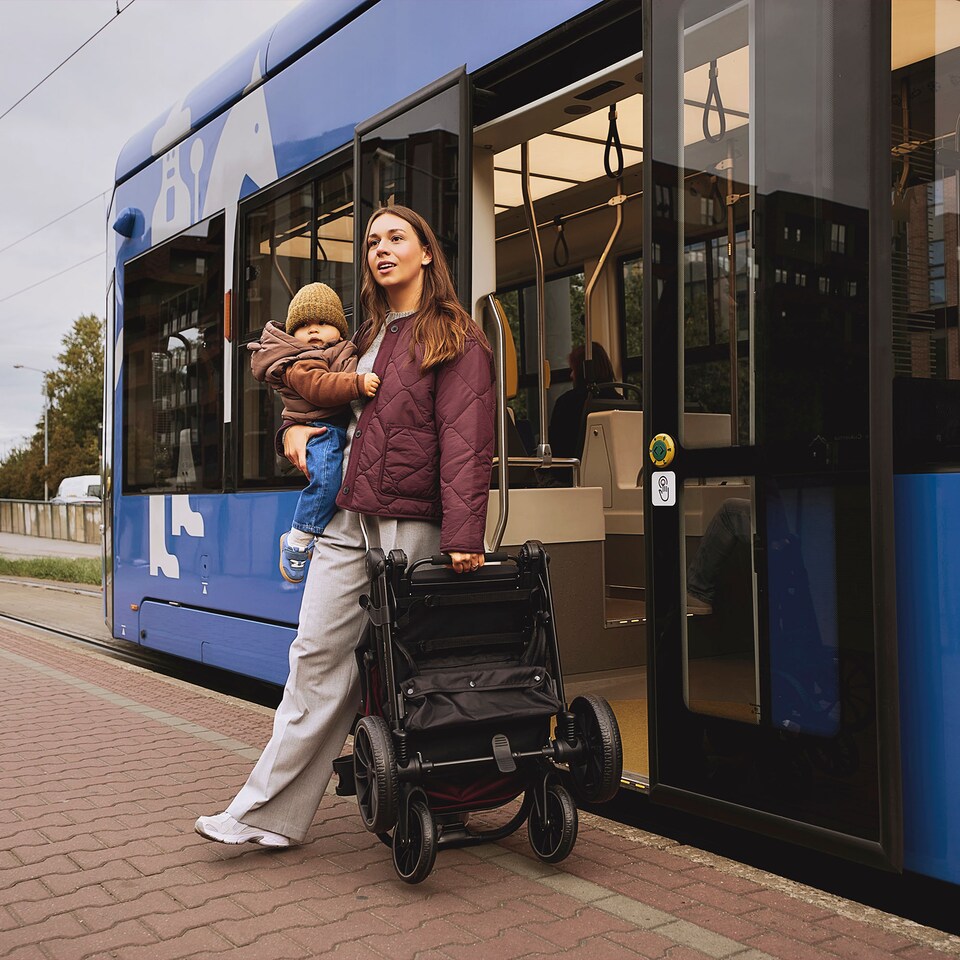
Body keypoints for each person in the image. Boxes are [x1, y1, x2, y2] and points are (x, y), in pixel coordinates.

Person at [195, 204, 495, 847]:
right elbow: (316, 401)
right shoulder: (366, 335)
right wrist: (291, 433)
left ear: (426, 252)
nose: (381, 249)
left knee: (414, 667)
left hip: (411, 519)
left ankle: (443, 796)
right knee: (315, 655)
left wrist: (464, 534)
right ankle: (266, 816)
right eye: (372, 242)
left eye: (396, 238)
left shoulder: (456, 335)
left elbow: (467, 440)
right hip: (348, 514)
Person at [247, 282, 380, 584]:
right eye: (304, 326)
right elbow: (319, 387)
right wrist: (358, 384)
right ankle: (298, 537)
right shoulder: (299, 359)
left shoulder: (342, 349)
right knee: (326, 481)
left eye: (322, 322)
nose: (313, 330)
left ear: (340, 329)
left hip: (333, 425)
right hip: (319, 428)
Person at [547, 341, 620, 460]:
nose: (571, 375)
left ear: (582, 371)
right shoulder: (620, 401)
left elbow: (556, 449)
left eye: (573, 369)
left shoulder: (567, 403)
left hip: (574, 469)